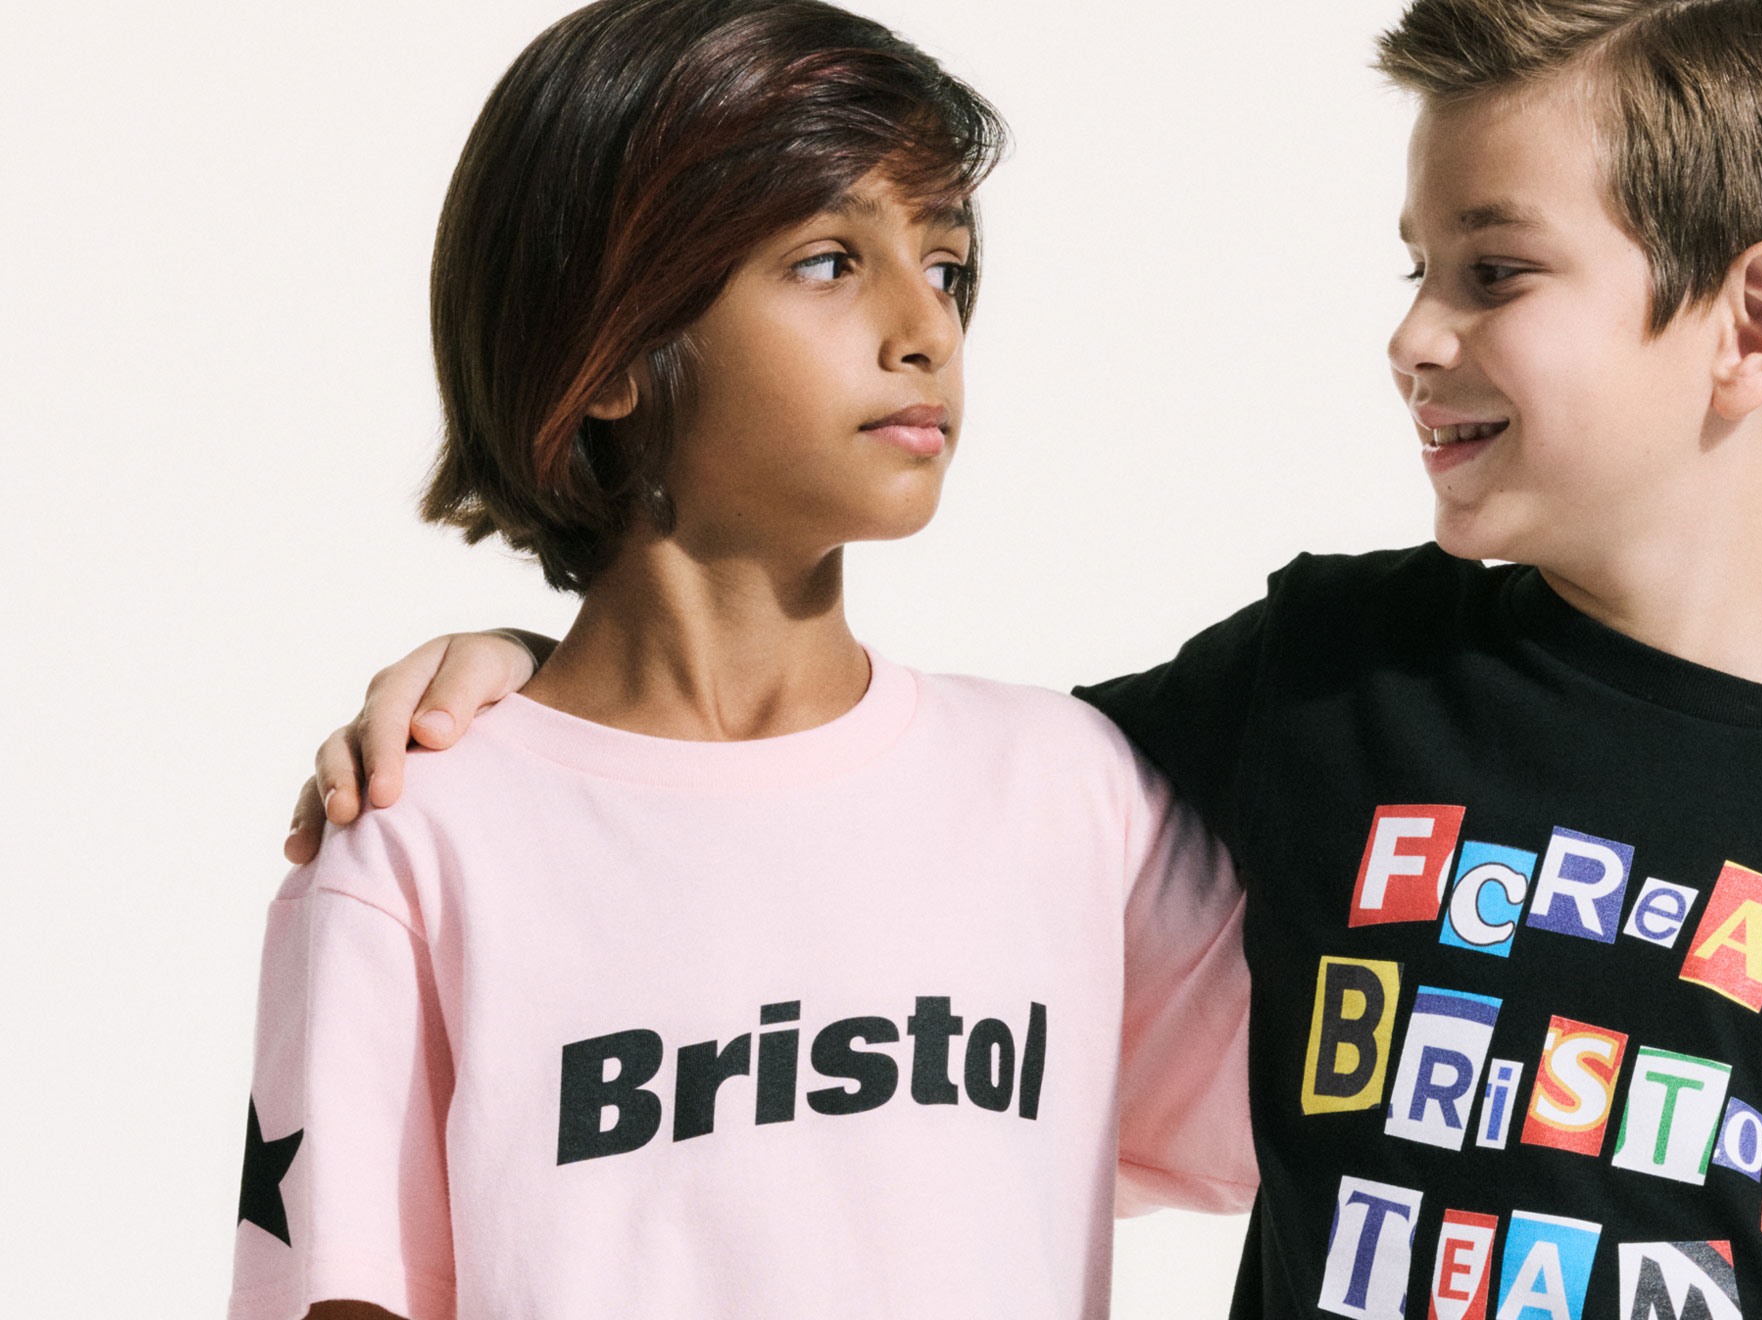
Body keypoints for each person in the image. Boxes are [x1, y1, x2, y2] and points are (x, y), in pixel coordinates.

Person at [277, 2, 1762, 1318]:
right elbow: (791, 813)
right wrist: (535, 686)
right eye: (829, 259)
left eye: (1495, 271)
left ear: (1758, 322)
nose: (1410, 333)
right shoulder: (1323, 688)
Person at [229, 4, 1253, 1319]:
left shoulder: (1067, 793)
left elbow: (1386, 1118)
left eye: (945, 265)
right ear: (606, 351)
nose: (927, 328)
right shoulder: (421, 839)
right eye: (829, 261)